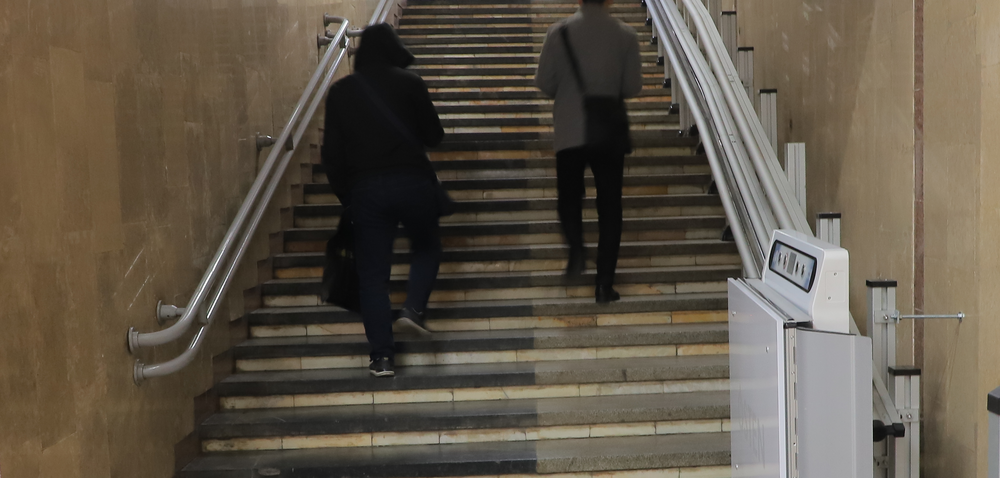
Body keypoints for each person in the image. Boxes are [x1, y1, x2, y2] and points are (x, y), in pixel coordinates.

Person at [321, 23, 445, 378]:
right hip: (413, 184)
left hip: (366, 192)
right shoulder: (411, 83)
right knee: (426, 246)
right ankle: (412, 311)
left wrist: (349, 197)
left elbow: (331, 155)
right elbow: (434, 136)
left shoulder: (341, 92)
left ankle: (382, 358)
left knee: (373, 277)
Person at [535, 0, 644, 303]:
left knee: (568, 197)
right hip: (608, 133)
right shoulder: (626, 35)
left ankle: (576, 249)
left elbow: (543, 82)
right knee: (610, 209)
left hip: (570, 130)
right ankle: (604, 285)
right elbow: (633, 86)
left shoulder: (558, 32)